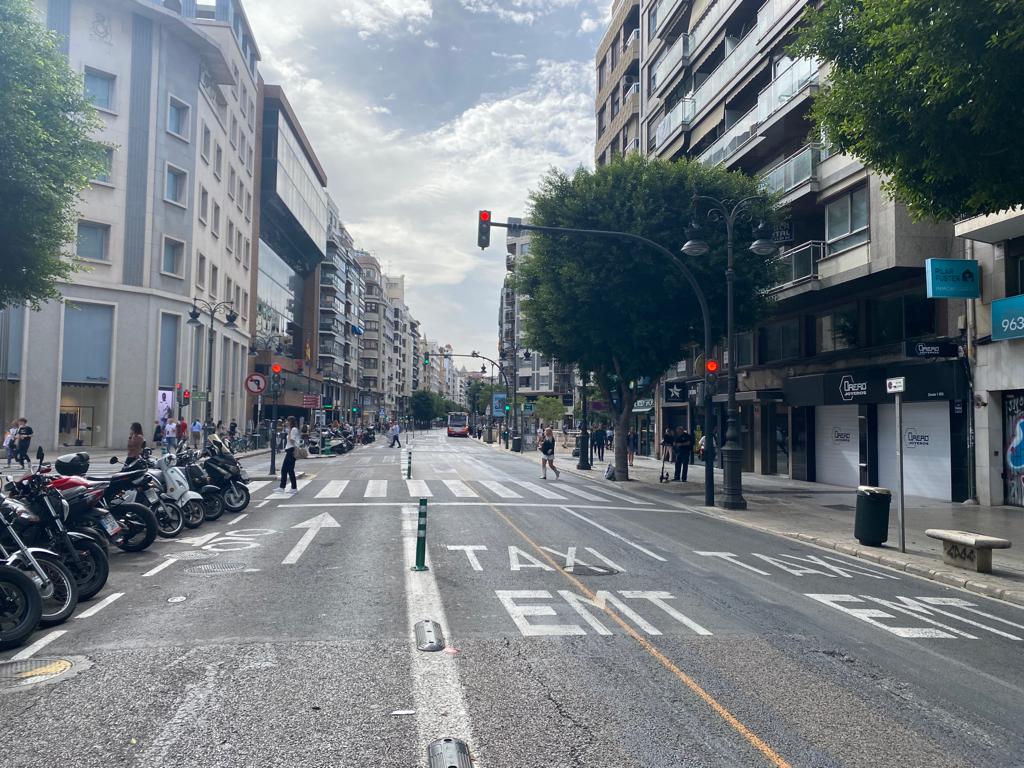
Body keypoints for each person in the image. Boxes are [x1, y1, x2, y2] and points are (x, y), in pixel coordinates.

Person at [280, 415, 300, 493]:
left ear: (291, 422)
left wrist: (288, 432)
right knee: (285, 469)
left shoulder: (294, 429)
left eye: (288, 421)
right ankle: (282, 487)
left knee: (289, 470)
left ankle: (293, 488)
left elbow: (292, 440)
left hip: (291, 451)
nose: (286, 422)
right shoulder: (291, 429)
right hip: (289, 450)